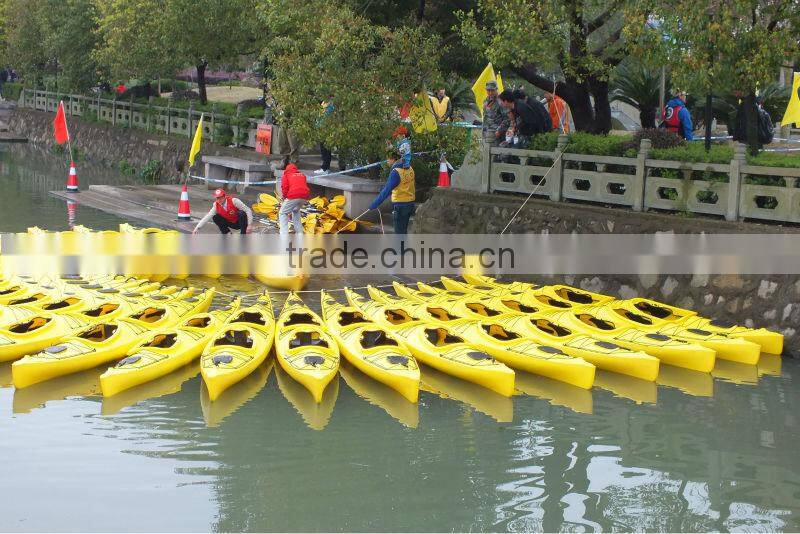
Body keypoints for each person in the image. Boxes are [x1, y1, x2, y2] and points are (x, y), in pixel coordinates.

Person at [368, 150, 415, 234]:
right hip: (410, 203)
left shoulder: (396, 172)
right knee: (403, 231)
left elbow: (387, 190)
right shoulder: (409, 168)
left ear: (394, 159)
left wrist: (374, 204)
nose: (387, 161)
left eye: (388, 159)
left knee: (399, 233)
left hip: (400, 205)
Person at [279, 162, 311, 234]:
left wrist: (284, 197)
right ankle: (299, 233)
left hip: (293, 195)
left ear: (286, 169)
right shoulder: (302, 175)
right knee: (296, 211)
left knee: (282, 213)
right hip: (305, 196)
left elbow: (285, 188)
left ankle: (284, 235)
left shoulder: (286, 175)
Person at [482, 80, 506, 146]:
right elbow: (485, 116)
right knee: (486, 153)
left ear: (496, 90)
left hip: (496, 134)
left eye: (492, 90)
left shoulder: (500, 102)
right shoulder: (486, 101)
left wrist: (499, 130)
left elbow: (506, 119)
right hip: (486, 131)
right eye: (488, 90)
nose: (490, 93)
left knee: (494, 155)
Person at [315, 96, 334, 175]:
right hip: (321, 129)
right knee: (323, 148)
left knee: (326, 149)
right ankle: (324, 167)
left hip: (326, 129)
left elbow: (326, 117)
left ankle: (325, 168)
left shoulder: (331, 105)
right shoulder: (323, 103)